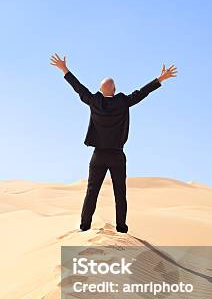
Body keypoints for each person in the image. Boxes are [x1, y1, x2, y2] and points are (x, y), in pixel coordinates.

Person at [50, 53, 177, 233]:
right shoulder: (123, 102)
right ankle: (121, 227)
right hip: (117, 155)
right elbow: (142, 93)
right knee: (120, 193)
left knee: (92, 191)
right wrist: (160, 79)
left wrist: (64, 69)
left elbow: (79, 88)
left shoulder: (94, 101)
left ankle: (84, 225)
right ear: (115, 90)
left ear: (101, 90)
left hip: (98, 155)